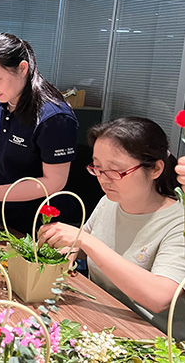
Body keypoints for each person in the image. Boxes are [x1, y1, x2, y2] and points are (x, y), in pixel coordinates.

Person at [39, 117, 185, 339]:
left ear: (155, 169)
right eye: (97, 168)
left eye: (116, 170)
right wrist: (66, 249)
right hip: (103, 320)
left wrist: (84, 241)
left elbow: (161, 298)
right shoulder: (110, 201)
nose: (104, 179)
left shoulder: (178, 221)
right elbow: (82, 245)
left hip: (154, 340)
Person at [0, 33, 79, 234]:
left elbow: (54, 181)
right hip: (0, 212)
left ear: (23, 68)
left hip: (37, 223)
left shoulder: (53, 117)